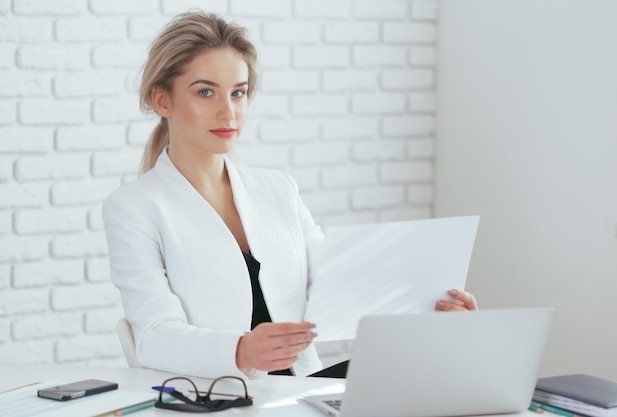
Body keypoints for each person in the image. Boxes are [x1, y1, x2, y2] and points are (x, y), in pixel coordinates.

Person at [102, 11, 478, 381]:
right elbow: (154, 337)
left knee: (426, 379)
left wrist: (429, 311)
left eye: (239, 93)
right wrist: (242, 350)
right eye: (205, 92)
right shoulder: (135, 208)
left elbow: (340, 288)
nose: (228, 111)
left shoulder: (277, 189)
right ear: (162, 100)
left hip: (301, 390)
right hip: (220, 398)